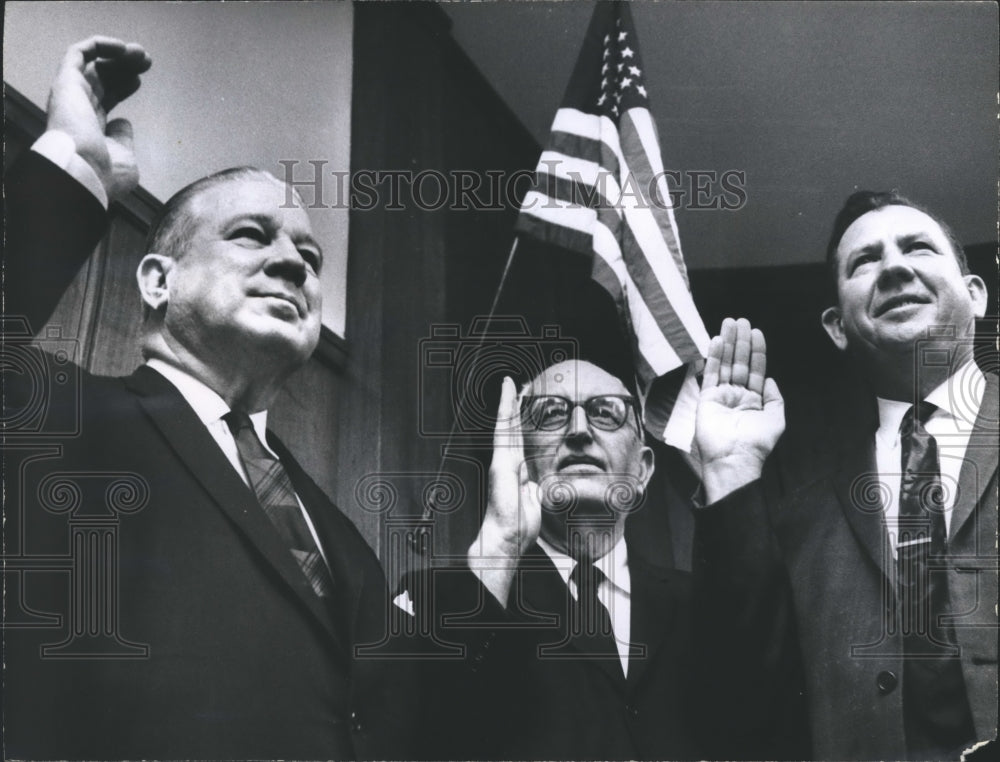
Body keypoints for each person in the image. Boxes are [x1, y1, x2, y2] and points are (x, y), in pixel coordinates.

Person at [2, 37, 435, 760]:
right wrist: (74, 161)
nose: (293, 262)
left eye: (311, 256)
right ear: (157, 282)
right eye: (250, 235)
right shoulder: (58, 419)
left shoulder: (344, 544)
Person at [692, 194, 997, 760]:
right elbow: (745, 706)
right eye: (865, 261)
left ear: (976, 294)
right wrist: (728, 468)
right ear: (836, 325)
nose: (895, 268)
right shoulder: (801, 519)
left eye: (918, 247)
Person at [454, 359, 700, 760]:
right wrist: (500, 546)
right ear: (520, 456)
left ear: (642, 470)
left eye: (606, 413)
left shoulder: (700, 607)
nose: (580, 431)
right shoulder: (469, 599)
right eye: (552, 413)